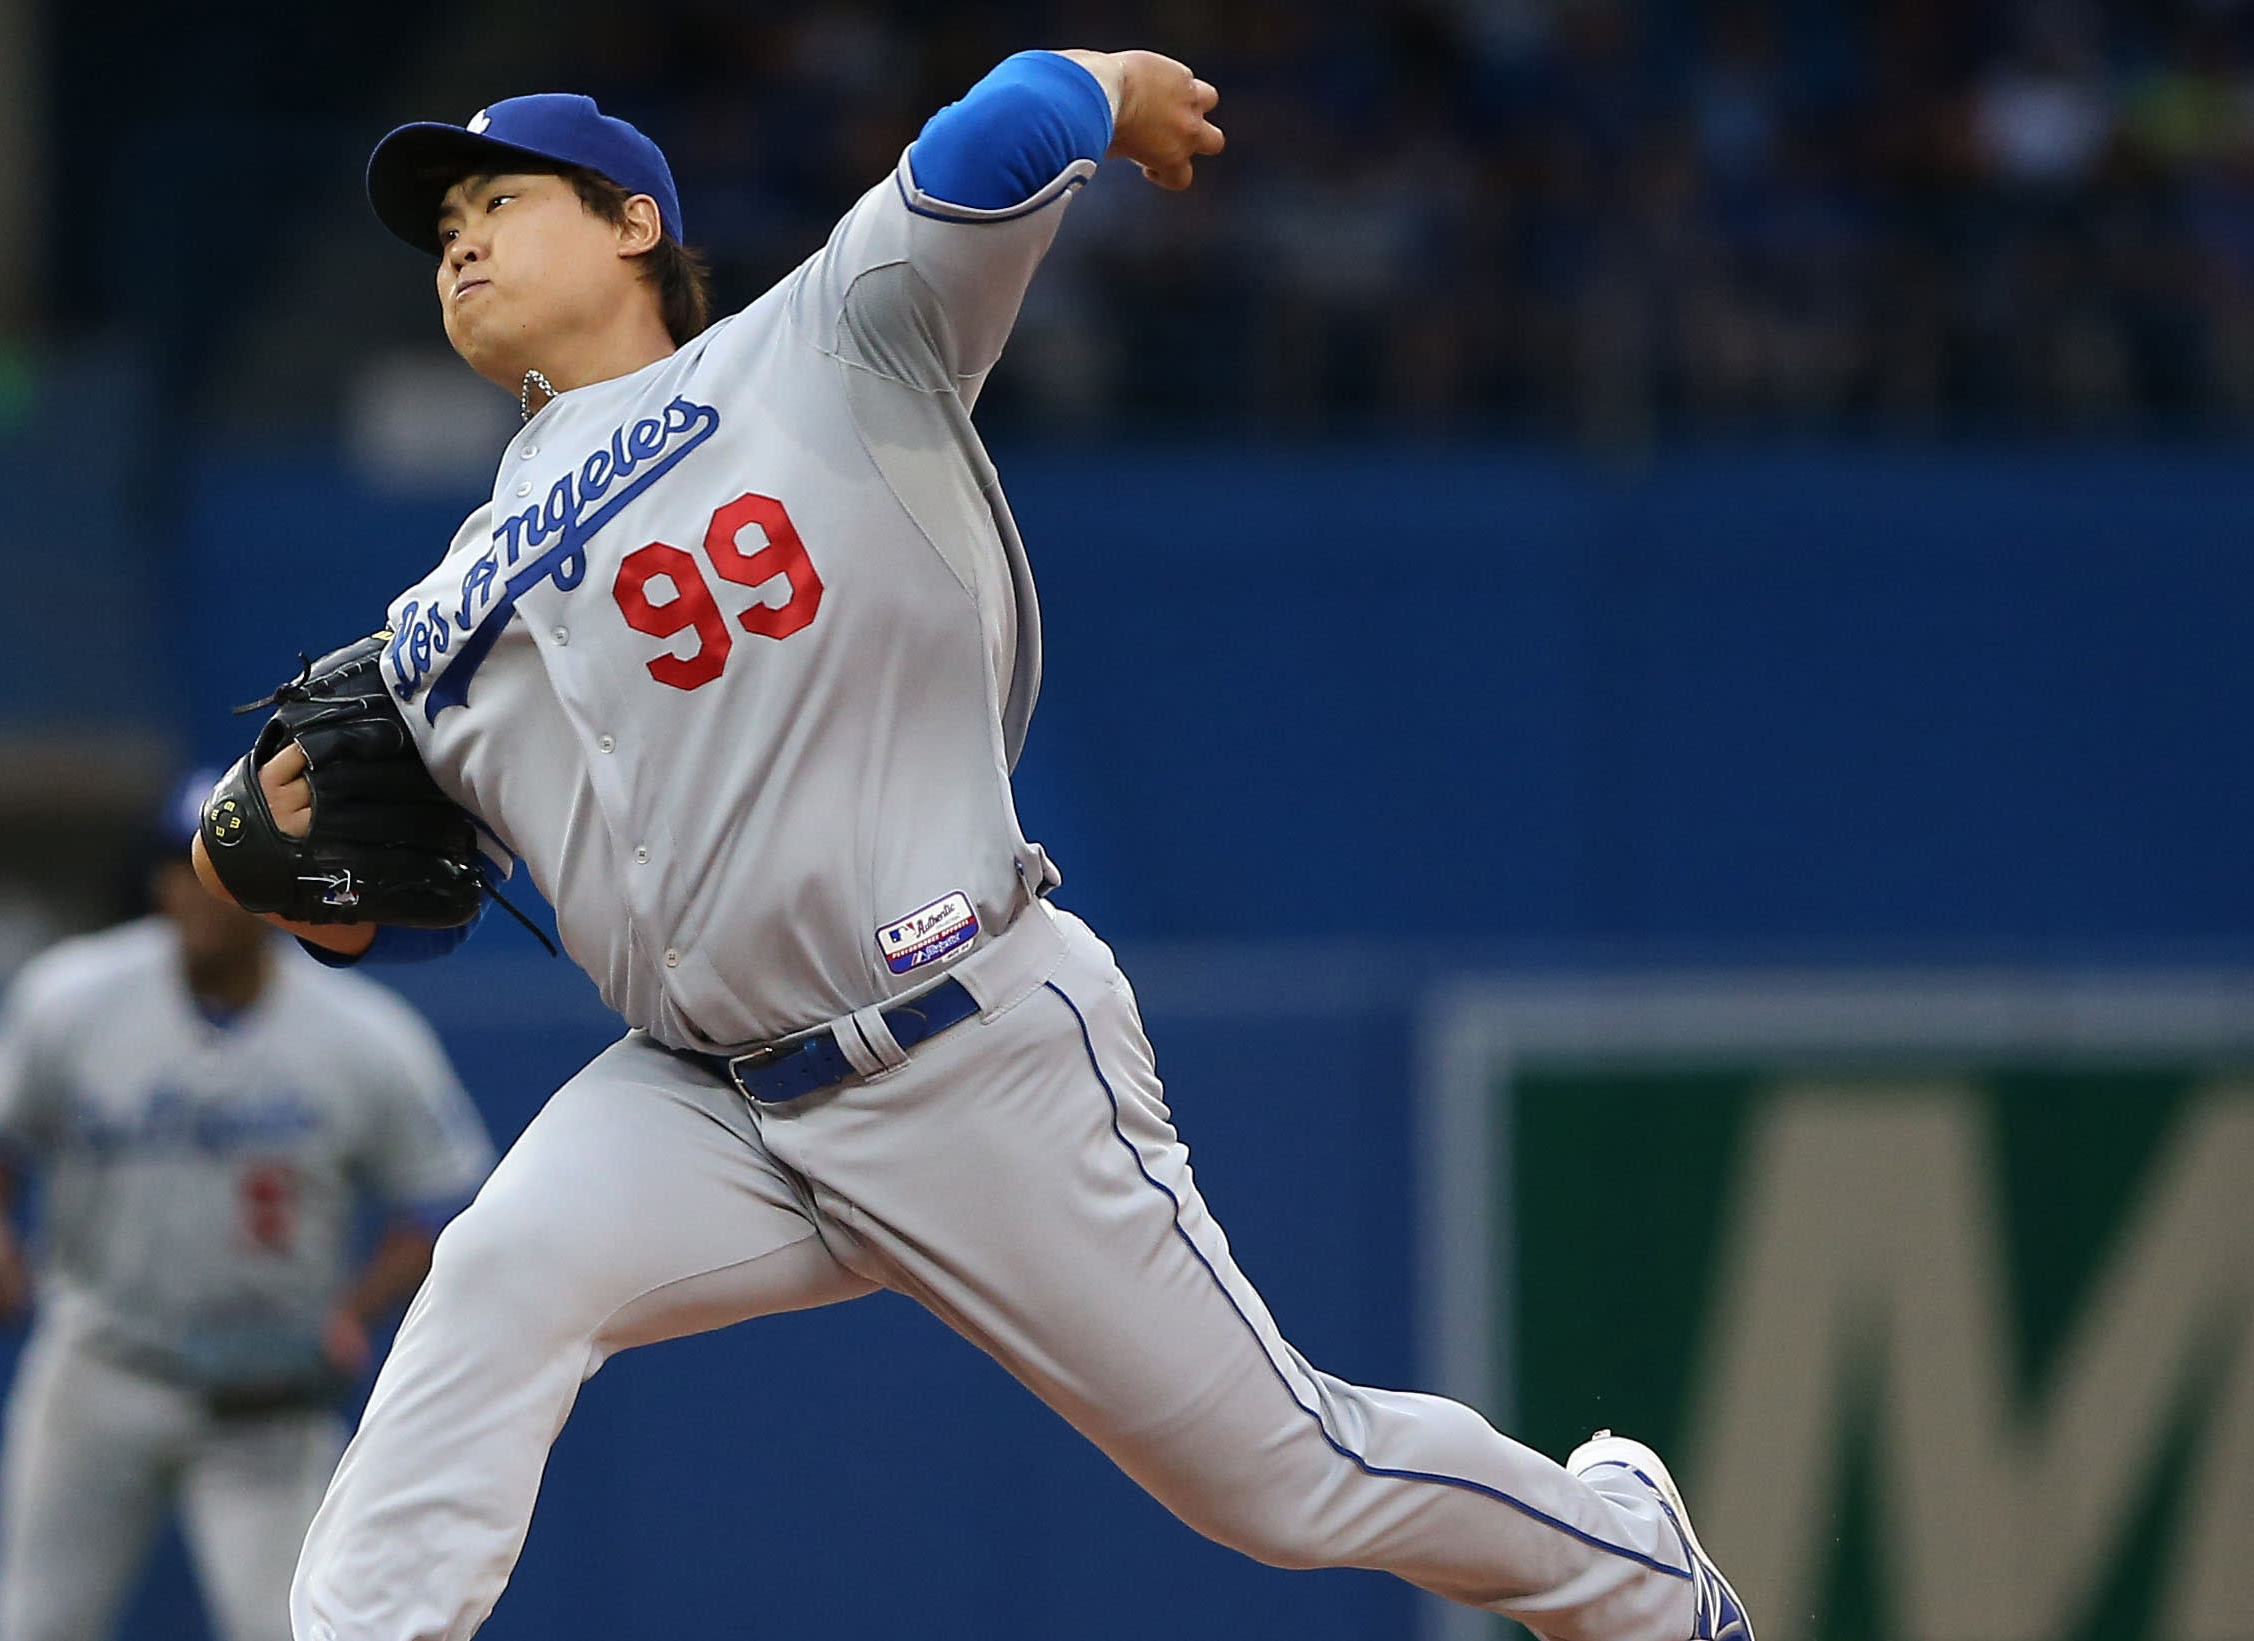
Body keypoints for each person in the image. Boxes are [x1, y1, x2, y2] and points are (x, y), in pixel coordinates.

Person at [203, 46, 1749, 1641]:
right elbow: (401, 903)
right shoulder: (445, 602)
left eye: (500, 198)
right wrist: (262, 871)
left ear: (633, 223)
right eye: (443, 217)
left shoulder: (819, 347)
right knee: (501, 1276)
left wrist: (1112, 82)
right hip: (706, 1097)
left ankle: (1629, 1562)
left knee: (1284, 1483)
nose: (459, 237)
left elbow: (1003, 126)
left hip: (965, 1053)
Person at [0, 775, 495, 1641]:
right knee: (33, 1626)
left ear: (277, 886)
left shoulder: (361, 1034)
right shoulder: (74, 995)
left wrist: (349, 1312)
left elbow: (444, 1199)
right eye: (178, 866)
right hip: (100, 1360)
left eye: (223, 868)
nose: (191, 890)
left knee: (293, 1630)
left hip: (262, 1384)